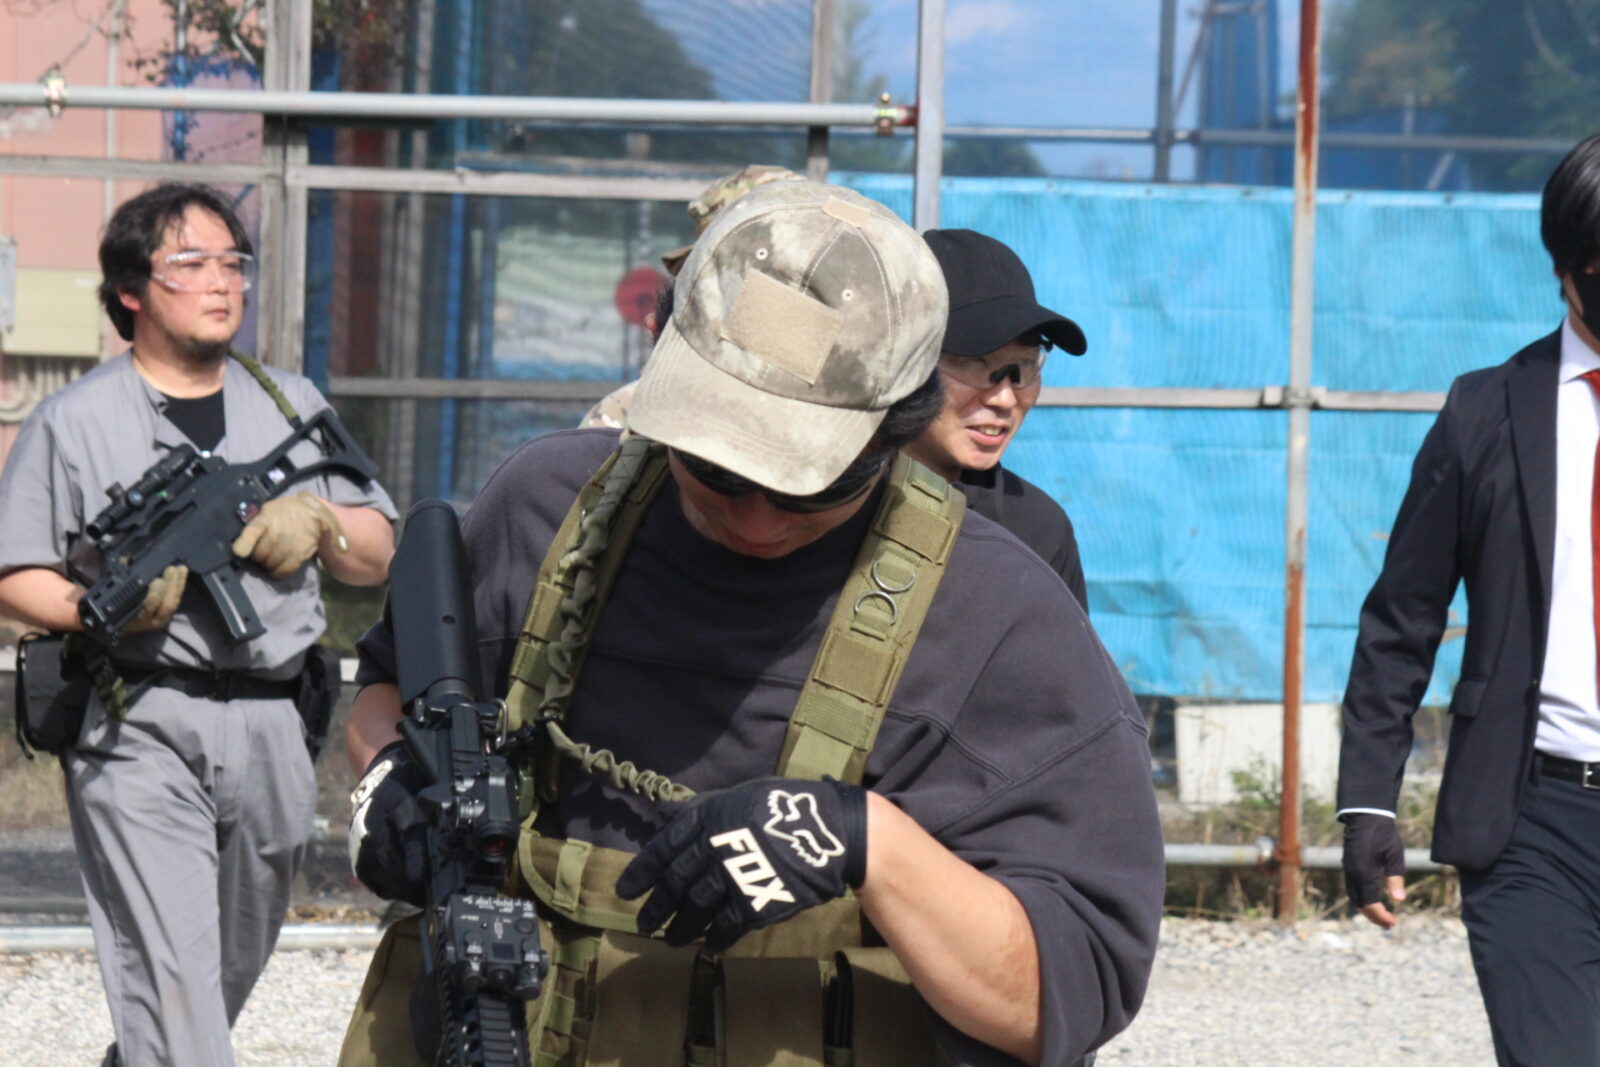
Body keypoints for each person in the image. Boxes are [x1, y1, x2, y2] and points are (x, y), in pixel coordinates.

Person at [340, 179, 1161, 1066]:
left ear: (897, 429)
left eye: (812, 483)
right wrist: (387, 782)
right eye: (719, 467)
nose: (758, 517)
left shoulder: (997, 617)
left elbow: (1061, 994)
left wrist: (866, 841)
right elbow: (392, 687)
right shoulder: (549, 512)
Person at [0, 182, 397, 1067]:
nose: (222, 282)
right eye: (191, 262)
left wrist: (322, 521)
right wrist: (94, 610)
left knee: (225, 963)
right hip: (140, 718)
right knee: (172, 980)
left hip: (276, 723)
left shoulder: (289, 402)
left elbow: (378, 552)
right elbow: (14, 573)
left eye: (233, 262)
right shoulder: (73, 421)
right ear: (131, 290)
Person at [1338, 132, 1600, 1064]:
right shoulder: (1486, 412)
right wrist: (1368, 801)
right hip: (1536, 818)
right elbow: (1403, 616)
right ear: (1568, 267)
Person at [907, 229, 1091, 611]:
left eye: (1023, 366)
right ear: (905, 361)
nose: (1005, 398)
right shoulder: (824, 504)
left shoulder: (1038, 530)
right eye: (974, 362)